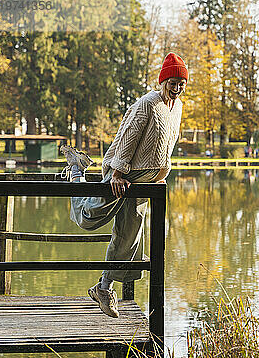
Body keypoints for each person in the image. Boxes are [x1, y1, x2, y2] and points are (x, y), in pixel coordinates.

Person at [59, 52, 188, 318]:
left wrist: (162, 172)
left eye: (181, 83)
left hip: (147, 182)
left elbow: (167, 142)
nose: (176, 88)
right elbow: (129, 136)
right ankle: (75, 168)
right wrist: (117, 173)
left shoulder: (177, 107)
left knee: (130, 233)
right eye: (172, 83)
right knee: (89, 217)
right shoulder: (148, 103)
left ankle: (103, 287)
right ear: (163, 81)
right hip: (124, 175)